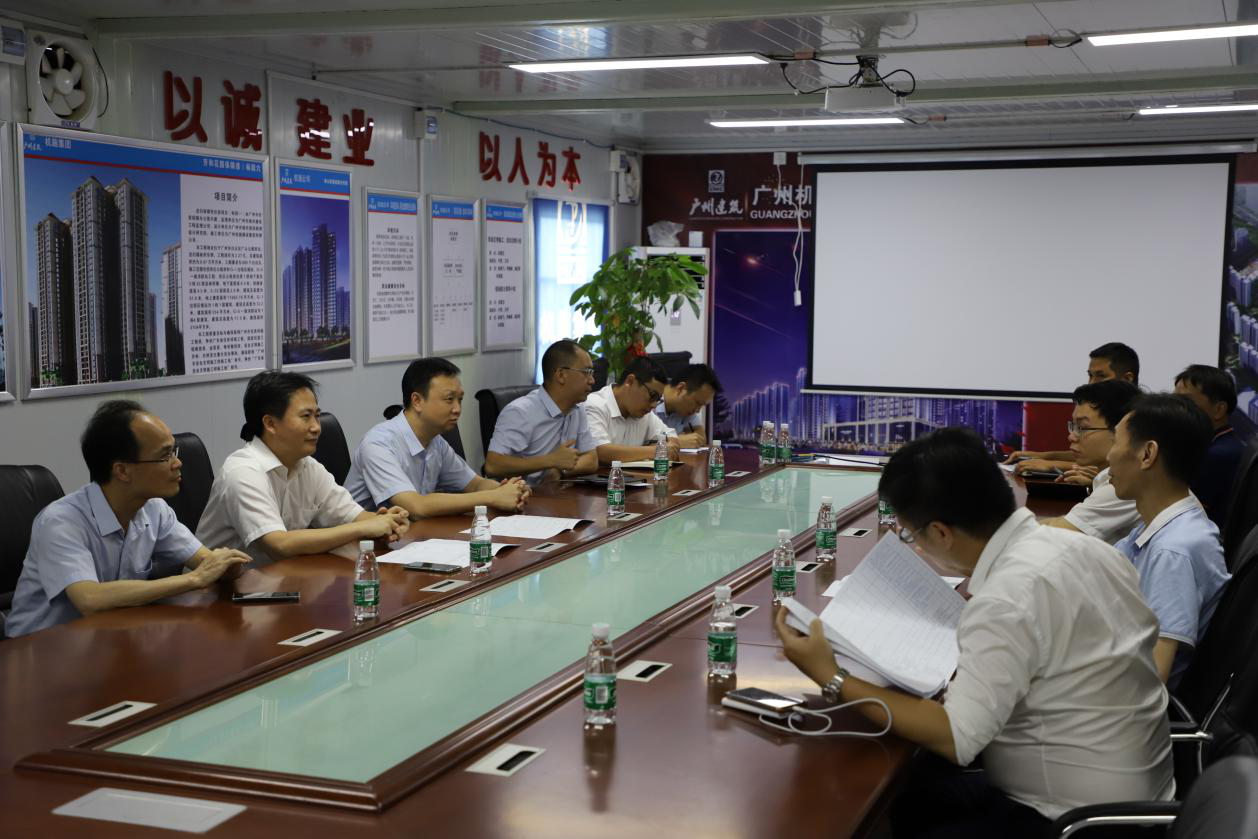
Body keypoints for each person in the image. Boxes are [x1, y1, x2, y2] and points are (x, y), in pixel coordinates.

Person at [775, 428, 1173, 834]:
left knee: (911, 800)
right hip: (1138, 796)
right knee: (918, 795)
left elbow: (957, 739)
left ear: (941, 532)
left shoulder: (1007, 596)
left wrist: (833, 677)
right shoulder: (1091, 549)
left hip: (1078, 821)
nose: (916, 546)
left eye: (912, 534)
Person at [5, 401, 250, 637]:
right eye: (165, 456)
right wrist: (194, 579)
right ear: (122, 470)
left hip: (108, 639)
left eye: (174, 451)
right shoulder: (61, 522)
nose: (178, 463)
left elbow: (206, 563)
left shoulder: (154, 510)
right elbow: (89, 599)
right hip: (39, 649)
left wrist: (225, 566)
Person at [196, 371, 409, 565]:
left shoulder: (308, 466)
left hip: (280, 581)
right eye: (306, 416)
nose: (316, 427)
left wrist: (387, 521)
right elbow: (279, 545)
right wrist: (363, 528)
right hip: (217, 590)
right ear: (270, 423)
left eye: (317, 415)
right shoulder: (242, 472)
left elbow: (354, 516)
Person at [1108, 394, 1231, 688]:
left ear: (1147, 454)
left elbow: (1151, 680)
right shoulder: (1162, 526)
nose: (1109, 456)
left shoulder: (1173, 551)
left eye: (1115, 442)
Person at [344, 357, 529, 517]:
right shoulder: (378, 444)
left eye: (460, 400)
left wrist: (510, 490)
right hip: (361, 543)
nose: (457, 409)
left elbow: (475, 484)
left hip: (411, 536)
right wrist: (493, 497)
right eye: (449, 399)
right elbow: (416, 507)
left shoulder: (435, 441)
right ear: (417, 401)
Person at [1006, 342, 1140, 474]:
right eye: (1090, 375)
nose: (1091, 383)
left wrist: (1053, 465)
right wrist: (1043, 456)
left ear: (1127, 379)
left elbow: (1119, 465)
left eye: (1101, 376)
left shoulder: (1142, 416)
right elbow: (1095, 455)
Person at [1040, 379, 1142, 544]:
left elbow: (1055, 534)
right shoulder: (1110, 477)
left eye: (1082, 428)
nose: (1071, 436)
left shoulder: (1127, 484)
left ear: (1122, 430)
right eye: (1073, 426)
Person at [484, 339, 599, 484]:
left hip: (557, 493)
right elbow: (493, 465)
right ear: (561, 375)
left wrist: (560, 470)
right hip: (525, 495)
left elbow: (591, 459)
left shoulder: (577, 407)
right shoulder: (520, 412)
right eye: (586, 372)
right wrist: (550, 460)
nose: (592, 380)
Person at [1174, 364, 1245, 528]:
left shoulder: (1216, 455)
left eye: (1186, 401)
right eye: (1174, 400)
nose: (1174, 407)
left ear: (1218, 409)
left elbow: (1184, 518)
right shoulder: (1222, 444)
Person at [584, 356, 682, 467]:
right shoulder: (594, 404)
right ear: (630, 381)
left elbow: (673, 440)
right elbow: (600, 452)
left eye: (658, 399)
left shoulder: (645, 414)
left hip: (634, 477)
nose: (654, 405)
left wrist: (658, 447)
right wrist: (656, 450)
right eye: (652, 395)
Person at [656, 363, 723, 448]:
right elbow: (641, 441)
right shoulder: (651, 399)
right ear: (680, 388)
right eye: (697, 403)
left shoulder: (684, 409)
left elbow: (701, 438)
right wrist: (676, 441)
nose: (697, 410)